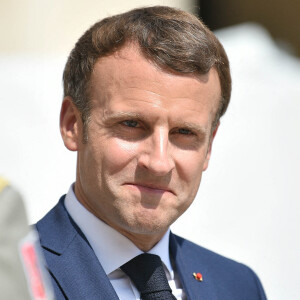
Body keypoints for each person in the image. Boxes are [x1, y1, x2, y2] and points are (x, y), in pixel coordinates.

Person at [36, 6, 267, 300]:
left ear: (208, 145)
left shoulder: (237, 286)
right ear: (73, 125)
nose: (158, 163)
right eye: (131, 124)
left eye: (184, 132)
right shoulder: (14, 277)